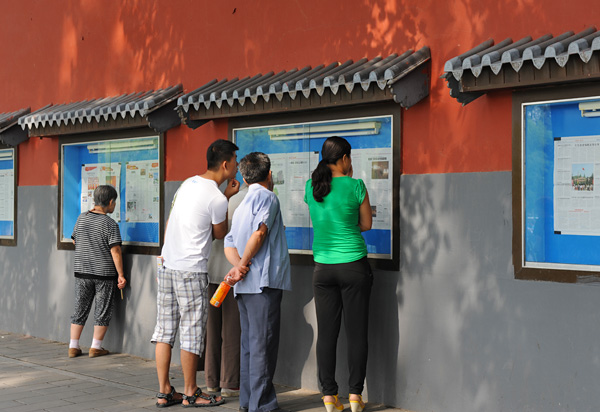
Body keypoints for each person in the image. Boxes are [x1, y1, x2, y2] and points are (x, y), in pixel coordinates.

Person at [151, 139, 240, 408]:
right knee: (191, 332)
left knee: (165, 330)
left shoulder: (188, 183)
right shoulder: (216, 197)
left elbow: (172, 219)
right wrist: (226, 198)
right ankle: (191, 392)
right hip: (191, 270)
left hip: (167, 264)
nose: (237, 166)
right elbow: (219, 233)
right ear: (225, 165)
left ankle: (164, 391)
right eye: (235, 161)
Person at [303, 136, 373, 412]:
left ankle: (329, 397)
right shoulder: (356, 186)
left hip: (323, 269)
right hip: (354, 266)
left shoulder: (312, 186)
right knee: (357, 334)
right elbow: (366, 224)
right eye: (350, 157)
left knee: (327, 334)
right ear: (344, 158)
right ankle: (355, 396)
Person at [224, 152, 291, 412]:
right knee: (263, 343)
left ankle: (248, 402)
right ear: (270, 174)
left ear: (243, 176)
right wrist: (243, 264)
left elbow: (229, 243)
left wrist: (237, 266)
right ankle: (262, 405)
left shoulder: (242, 203)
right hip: (263, 282)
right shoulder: (268, 197)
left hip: (244, 284)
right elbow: (260, 232)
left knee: (250, 345)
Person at [68, 184, 127, 358]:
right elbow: (115, 251)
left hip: (82, 272)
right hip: (104, 274)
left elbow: (74, 241)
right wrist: (121, 275)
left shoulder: (81, 218)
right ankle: (96, 347)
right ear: (110, 202)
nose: (114, 206)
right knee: (102, 310)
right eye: (114, 202)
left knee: (80, 308)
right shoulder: (110, 224)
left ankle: (73, 346)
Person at [204, 185, 247, 397]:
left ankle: (211, 381)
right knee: (232, 330)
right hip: (232, 274)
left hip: (212, 271)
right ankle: (230, 381)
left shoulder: (215, 200)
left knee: (213, 328)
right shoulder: (251, 200)